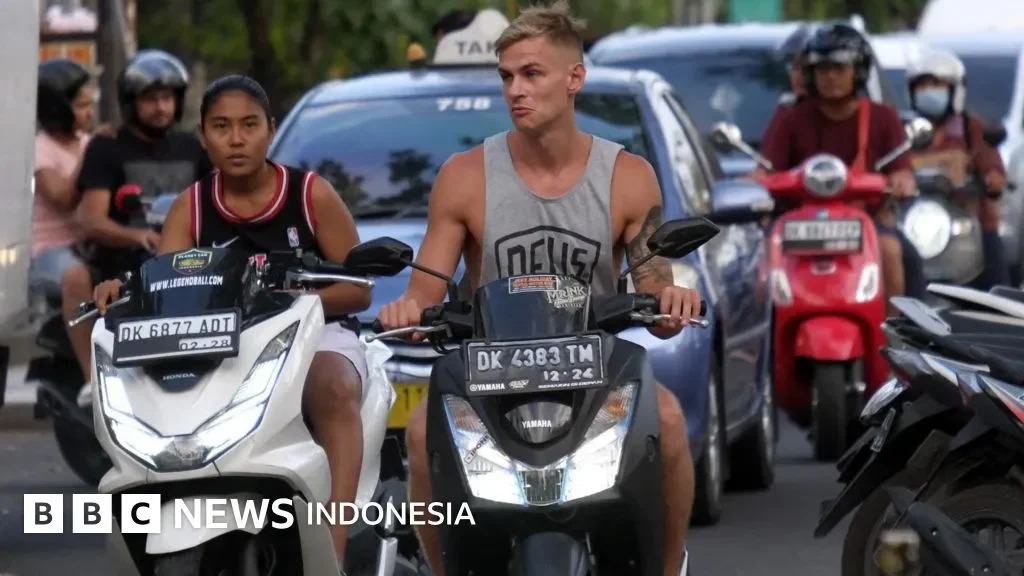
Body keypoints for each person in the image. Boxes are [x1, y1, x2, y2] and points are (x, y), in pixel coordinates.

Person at [376, 2, 701, 575]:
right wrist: (409, 308)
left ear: (574, 78)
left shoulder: (628, 176)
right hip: (490, 374)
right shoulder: (465, 175)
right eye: (507, 77)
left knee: (670, 421)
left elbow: (657, 289)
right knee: (425, 431)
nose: (515, 91)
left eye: (532, 74)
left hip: (596, 373)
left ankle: (668, 567)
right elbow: (426, 287)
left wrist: (671, 303)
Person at [91, 74, 371, 569]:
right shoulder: (192, 206)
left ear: (270, 130)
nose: (236, 139)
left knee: (333, 388)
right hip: (226, 345)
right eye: (221, 126)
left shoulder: (310, 195)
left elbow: (359, 289)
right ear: (202, 135)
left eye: (248, 125)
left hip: (315, 339)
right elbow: (160, 283)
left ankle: (335, 545)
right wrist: (122, 290)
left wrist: (297, 303)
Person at [63, 49, 212, 406]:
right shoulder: (108, 147)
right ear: (131, 103)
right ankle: (93, 381)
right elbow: (92, 219)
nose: (161, 107)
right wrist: (138, 235)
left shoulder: (193, 148)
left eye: (167, 98)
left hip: (187, 261)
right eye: (150, 99)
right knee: (75, 277)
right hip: (122, 264)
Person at [756, 22, 927, 312]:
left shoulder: (883, 117)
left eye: (840, 68)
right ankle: (766, 350)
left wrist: (902, 181)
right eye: (823, 69)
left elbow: (901, 170)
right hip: (798, 228)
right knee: (758, 268)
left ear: (857, 71)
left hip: (867, 225)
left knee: (897, 253)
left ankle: (896, 343)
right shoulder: (790, 117)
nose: (831, 77)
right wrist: (753, 186)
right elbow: (764, 173)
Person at [906, 47, 1009, 288]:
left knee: (999, 285)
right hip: (917, 224)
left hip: (970, 224)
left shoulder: (970, 127)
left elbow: (993, 168)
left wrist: (992, 180)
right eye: (922, 86)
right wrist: (945, 159)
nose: (929, 91)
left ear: (955, 90)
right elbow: (892, 164)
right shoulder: (904, 128)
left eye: (937, 85)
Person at [30, 59, 97, 301]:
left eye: (91, 104)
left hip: (89, 244)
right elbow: (63, 198)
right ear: (56, 107)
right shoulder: (41, 148)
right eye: (82, 105)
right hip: (51, 250)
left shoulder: (86, 141)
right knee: (76, 277)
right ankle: (85, 340)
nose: (91, 112)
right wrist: (92, 155)